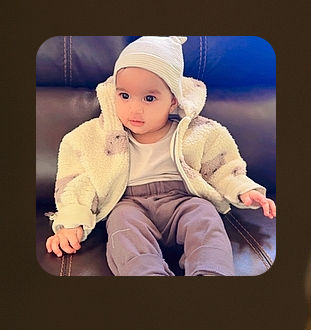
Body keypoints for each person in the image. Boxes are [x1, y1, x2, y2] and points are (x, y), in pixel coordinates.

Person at [44, 36, 275, 276]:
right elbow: (80, 181)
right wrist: (71, 223)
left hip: (182, 200)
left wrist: (244, 189)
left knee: (204, 214)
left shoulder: (197, 134)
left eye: (149, 98)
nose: (135, 109)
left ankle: (211, 273)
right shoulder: (100, 138)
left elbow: (221, 168)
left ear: (173, 101)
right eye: (124, 96)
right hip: (130, 204)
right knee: (122, 222)